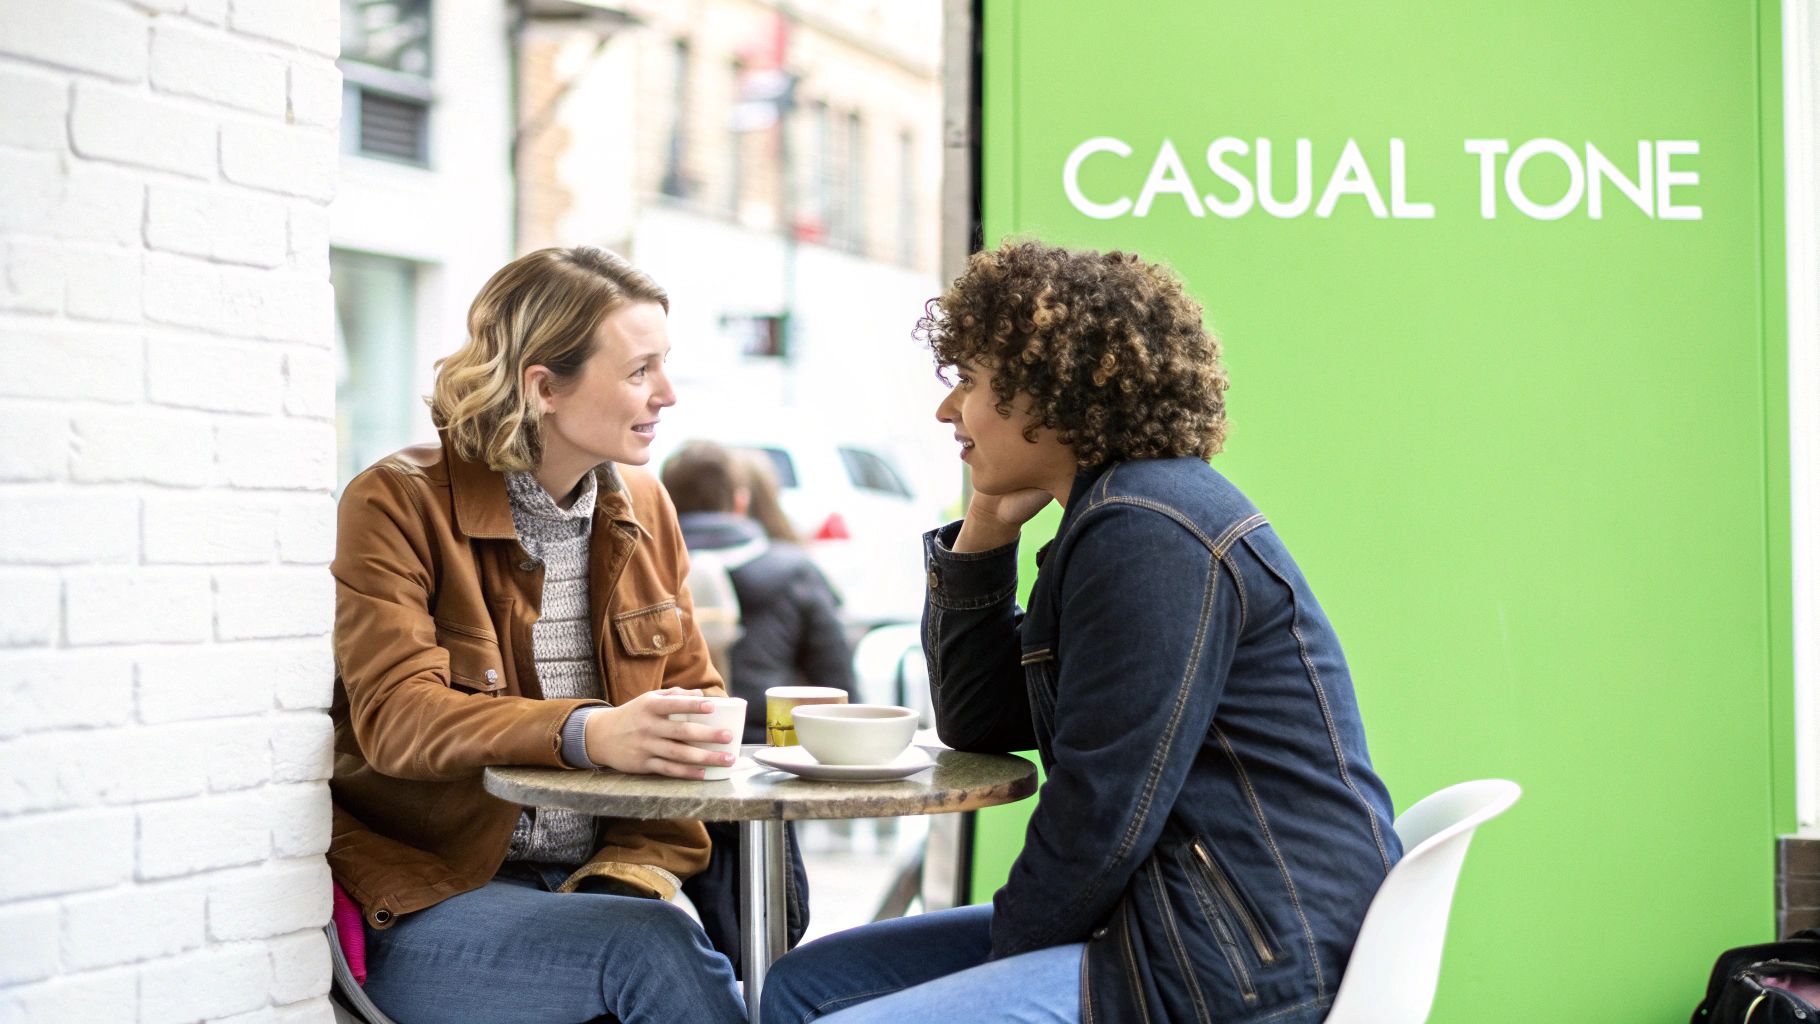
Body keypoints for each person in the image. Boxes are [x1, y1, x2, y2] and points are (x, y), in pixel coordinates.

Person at [760, 240, 1402, 1024]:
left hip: (1234, 958)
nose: (945, 411)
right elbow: (982, 720)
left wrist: (990, 977)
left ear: (1048, 391)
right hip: (1175, 925)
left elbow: (1102, 818)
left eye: (968, 382)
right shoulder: (1115, 514)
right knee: (806, 984)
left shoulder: (1147, 530)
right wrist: (989, 525)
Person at [329, 246, 756, 1024]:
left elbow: (695, 704)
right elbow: (396, 719)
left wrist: (624, 875)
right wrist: (588, 732)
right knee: (651, 950)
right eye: (640, 371)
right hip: (433, 896)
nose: (666, 394)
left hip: (602, 886)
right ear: (544, 385)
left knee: (751, 945)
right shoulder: (397, 503)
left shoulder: (646, 507)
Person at [662, 440, 854, 743]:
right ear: (741, 502)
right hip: (770, 748)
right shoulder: (796, 572)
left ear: (665, 502)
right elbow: (838, 686)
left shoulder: (644, 571)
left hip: (668, 748)